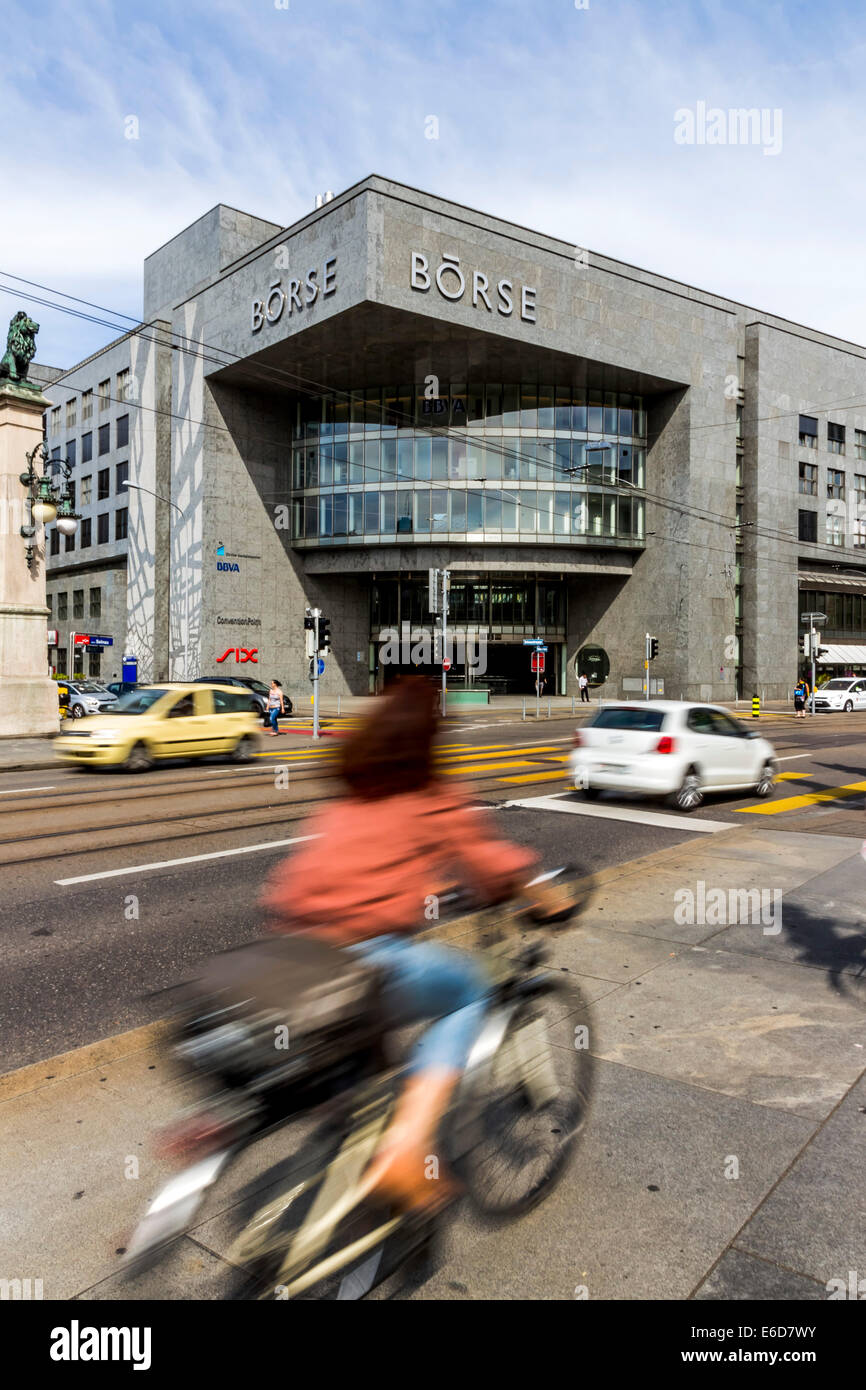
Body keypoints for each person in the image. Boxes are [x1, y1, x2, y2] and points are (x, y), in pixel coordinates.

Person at [260, 677, 564, 1211]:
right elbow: (490, 863)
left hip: (292, 958)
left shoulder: (350, 794)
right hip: (363, 960)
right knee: (469, 991)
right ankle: (405, 1149)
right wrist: (544, 895)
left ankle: (343, 1127)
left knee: (365, 1062)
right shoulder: (428, 793)